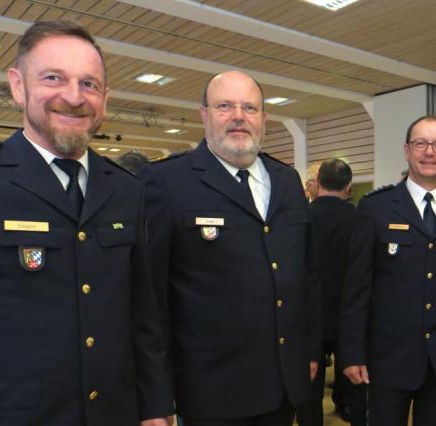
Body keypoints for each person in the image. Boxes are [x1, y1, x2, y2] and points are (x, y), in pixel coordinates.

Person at [0, 20, 171, 426]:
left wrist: (155, 405)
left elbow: (143, 314)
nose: (74, 97)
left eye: (89, 84)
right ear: (18, 86)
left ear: (105, 99)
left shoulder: (126, 189)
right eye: (53, 78)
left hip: (114, 412)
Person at [138, 70, 321, 426]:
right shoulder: (166, 181)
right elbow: (150, 299)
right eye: (225, 106)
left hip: (284, 383)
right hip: (211, 391)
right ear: (204, 114)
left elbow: (306, 276)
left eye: (249, 108)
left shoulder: (287, 180)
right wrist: (155, 396)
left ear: (263, 118)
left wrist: (311, 349)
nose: (239, 116)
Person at [340, 115, 436, 426]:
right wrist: (352, 352)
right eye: (420, 144)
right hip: (387, 358)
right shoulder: (375, 208)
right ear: (407, 150)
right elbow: (357, 287)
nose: (429, 152)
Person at [298, 158, 365, 426]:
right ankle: (349, 410)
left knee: (309, 383)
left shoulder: (301, 217)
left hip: (309, 313)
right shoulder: (360, 218)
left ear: (317, 183)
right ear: (348, 186)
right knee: (354, 379)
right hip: (349, 312)